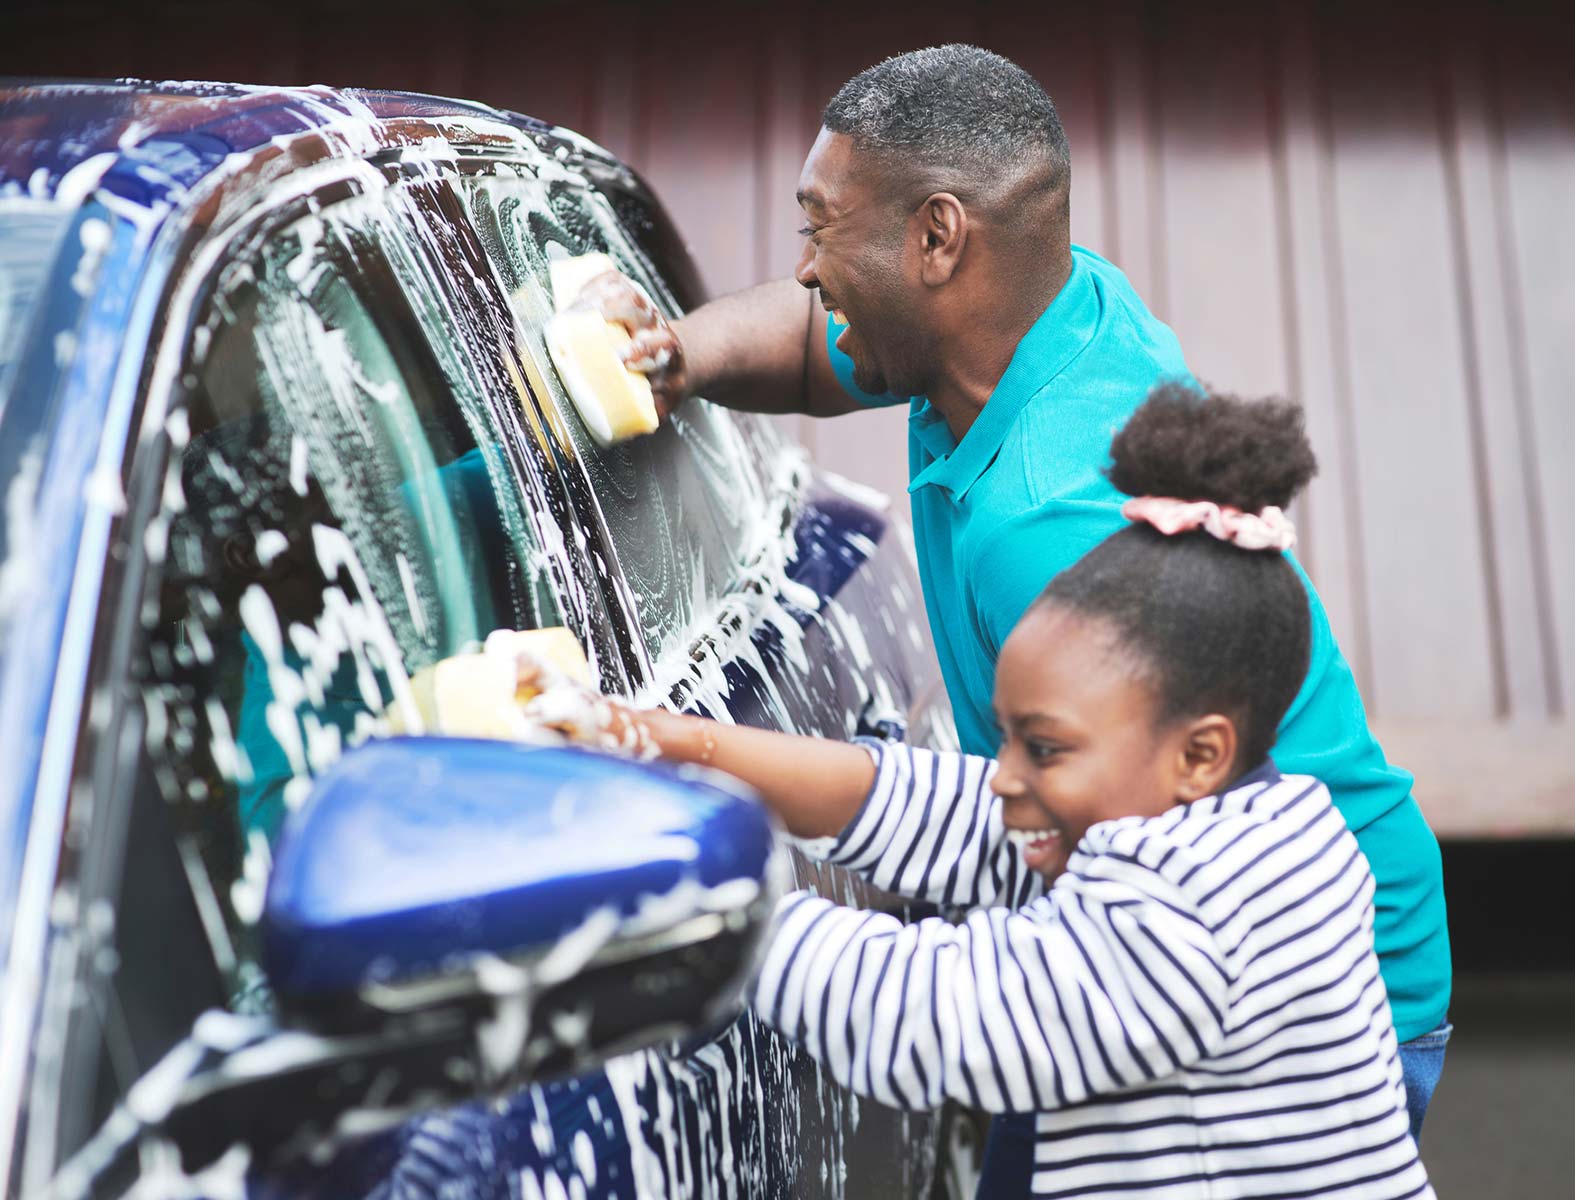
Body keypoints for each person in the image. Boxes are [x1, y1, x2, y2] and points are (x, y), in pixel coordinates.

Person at [580, 43, 1452, 1131]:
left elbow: (985, 998)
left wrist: (678, 901)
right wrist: (677, 356)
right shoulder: (1029, 315)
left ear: (937, 238)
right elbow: (814, 341)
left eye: (820, 228)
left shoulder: (1051, 525)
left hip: (1285, 1013)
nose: (804, 267)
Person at [530, 389, 1433, 1200]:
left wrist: (690, 890)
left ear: (1199, 754)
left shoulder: (1185, 912)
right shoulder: (1262, 817)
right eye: (1008, 736)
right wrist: (677, 742)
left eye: (1043, 748)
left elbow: (930, 1013)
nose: (1006, 773)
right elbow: (931, 806)